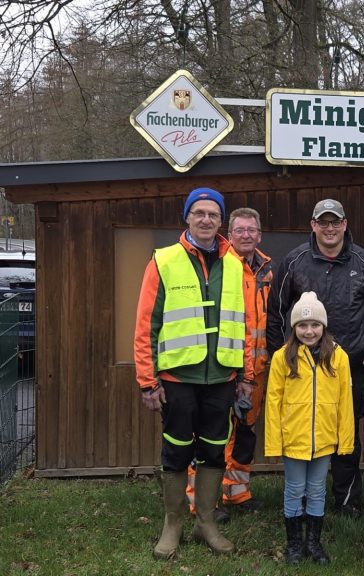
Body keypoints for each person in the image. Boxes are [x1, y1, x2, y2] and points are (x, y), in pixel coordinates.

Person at [134, 187, 254, 559]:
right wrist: (146, 381)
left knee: (215, 452)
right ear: (187, 217)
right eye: (199, 212)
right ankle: (173, 524)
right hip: (177, 380)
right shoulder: (163, 261)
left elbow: (247, 324)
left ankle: (206, 522)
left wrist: (246, 375)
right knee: (176, 452)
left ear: (221, 221)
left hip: (222, 380)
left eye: (213, 214)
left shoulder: (235, 264)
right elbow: (145, 326)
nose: (205, 220)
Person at [267, 198, 364, 518]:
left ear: (344, 225)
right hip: (301, 367)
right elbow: (275, 310)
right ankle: (307, 498)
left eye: (335, 222)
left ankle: (347, 500)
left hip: (348, 368)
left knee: (345, 435)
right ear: (313, 225)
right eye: (323, 222)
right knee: (304, 433)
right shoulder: (295, 261)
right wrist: (277, 355)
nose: (329, 228)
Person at [186, 207, 272, 521]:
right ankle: (200, 503)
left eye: (252, 230)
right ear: (230, 234)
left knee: (245, 433)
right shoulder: (220, 266)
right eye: (240, 230)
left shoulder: (267, 270)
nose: (246, 235)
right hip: (226, 367)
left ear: (259, 235)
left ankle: (237, 492)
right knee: (212, 434)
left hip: (257, 369)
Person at [264, 291, 355, 565]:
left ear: (323, 326)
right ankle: (294, 544)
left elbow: (345, 402)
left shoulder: (339, 358)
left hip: (324, 439)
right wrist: (273, 442)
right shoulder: (283, 357)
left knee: (317, 490)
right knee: (294, 489)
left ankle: (313, 542)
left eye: (315, 325)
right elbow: (273, 401)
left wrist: (345, 441)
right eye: (302, 325)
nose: (309, 330)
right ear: (294, 328)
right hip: (294, 439)